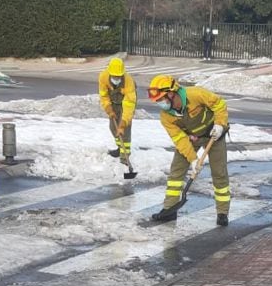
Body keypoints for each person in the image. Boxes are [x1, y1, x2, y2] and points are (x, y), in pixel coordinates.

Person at [146, 75, 231, 226]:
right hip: (192, 138)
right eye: (157, 101)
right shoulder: (166, 116)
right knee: (176, 171)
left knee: (219, 172)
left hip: (214, 135)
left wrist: (219, 124)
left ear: (171, 93)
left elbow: (219, 104)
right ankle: (169, 210)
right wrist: (192, 158)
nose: (160, 103)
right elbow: (179, 139)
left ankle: (222, 212)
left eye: (161, 99)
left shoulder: (195, 94)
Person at [99, 57, 136, 165]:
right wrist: (108, 109)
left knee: (125, 130)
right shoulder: (103, 76)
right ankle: (120, 148)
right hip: (113, 102)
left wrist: (123, 123)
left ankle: (125, 159)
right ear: (110, 73)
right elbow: (104, 95)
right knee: (113, 127)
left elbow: (129, 105)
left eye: (119, 76)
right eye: (114, 76)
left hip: (127, 101)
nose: (116, 78)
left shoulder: (128, 81)